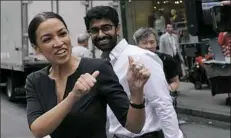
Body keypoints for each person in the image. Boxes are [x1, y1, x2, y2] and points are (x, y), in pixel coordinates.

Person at [25, 11, 151, 138]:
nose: (58, 43)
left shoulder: (98, 68)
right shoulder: (35, 80)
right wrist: (73, 96)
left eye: (62, 34)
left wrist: (136, 93)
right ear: (37, 48)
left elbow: (135, 126)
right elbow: (38, 130)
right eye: (47, 39)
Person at [84, 6, 184, 138]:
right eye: (95, 30)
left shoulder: (139, 56)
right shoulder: (103, 63)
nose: (101, 34)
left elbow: (163, 104)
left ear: (117, 28)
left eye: (106, 28)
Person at [133, 27, 180, 97]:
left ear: (157, 43)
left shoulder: (166, 59)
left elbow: (175, 82)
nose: (149, 46)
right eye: (144, 43)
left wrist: (166, 91)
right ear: (137, 44)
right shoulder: (133, 62)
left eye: (152, 42)